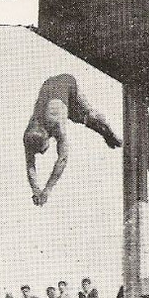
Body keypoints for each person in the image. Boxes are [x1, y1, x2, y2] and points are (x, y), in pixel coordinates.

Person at [24, 75, 121, 206]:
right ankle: (104, 134)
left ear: (48, 136)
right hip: (50, 88)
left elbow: (63, 158)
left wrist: (48, 189)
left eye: (43, 150)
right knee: (77, 118)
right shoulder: (28, 135)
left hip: (67, 84)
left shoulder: (56, 124)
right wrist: (36, 190)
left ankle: (110, 133)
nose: (43, 154)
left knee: (90, 115)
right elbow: (30, 165)